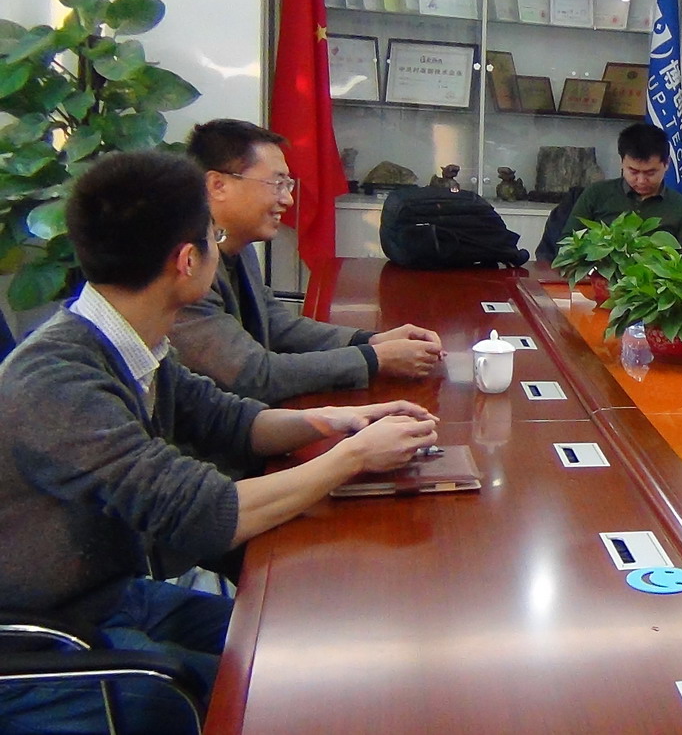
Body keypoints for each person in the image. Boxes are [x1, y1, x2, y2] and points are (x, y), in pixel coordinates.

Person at [0, 151, 439, 731]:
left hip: (111, 597)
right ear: (188, 261)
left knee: (295, 647)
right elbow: (207, 513)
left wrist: (341, 421)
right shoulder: (57, 382)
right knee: (274, 700)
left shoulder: (127, 342)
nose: (219, 248)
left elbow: (228, 420)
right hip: (42, 641)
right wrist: (354, 457)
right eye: (212, 238)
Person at [172, 119, 444, 405]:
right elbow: (252, 375)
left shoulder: (235, 244)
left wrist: (371, 340)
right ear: (217, 185)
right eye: (276, 184)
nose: (288, 200)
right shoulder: (183, 267)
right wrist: (374, 359)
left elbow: (275, 324)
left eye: (287, 184)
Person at [559, 122, 682, 255]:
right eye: (633, 172)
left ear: (667, 164)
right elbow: (568, 243)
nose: (641, 181)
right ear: (622, 162)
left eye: (650, 173)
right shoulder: (596, 194)